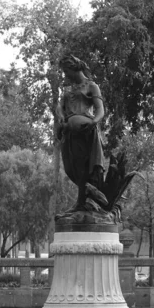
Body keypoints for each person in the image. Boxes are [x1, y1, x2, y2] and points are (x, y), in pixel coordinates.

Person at [56, 54, 107, 212]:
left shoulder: (92, 86)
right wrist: (61, 117)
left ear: (73, 68)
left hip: (86, 133)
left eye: (66, 71)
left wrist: (94, 122)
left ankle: (84, 202)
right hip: (70, 133)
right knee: (73, 168)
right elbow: (60, 107)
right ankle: (83, 201)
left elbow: (100, 110)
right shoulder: (67, 90)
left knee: (85, 167)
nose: (66, 75)